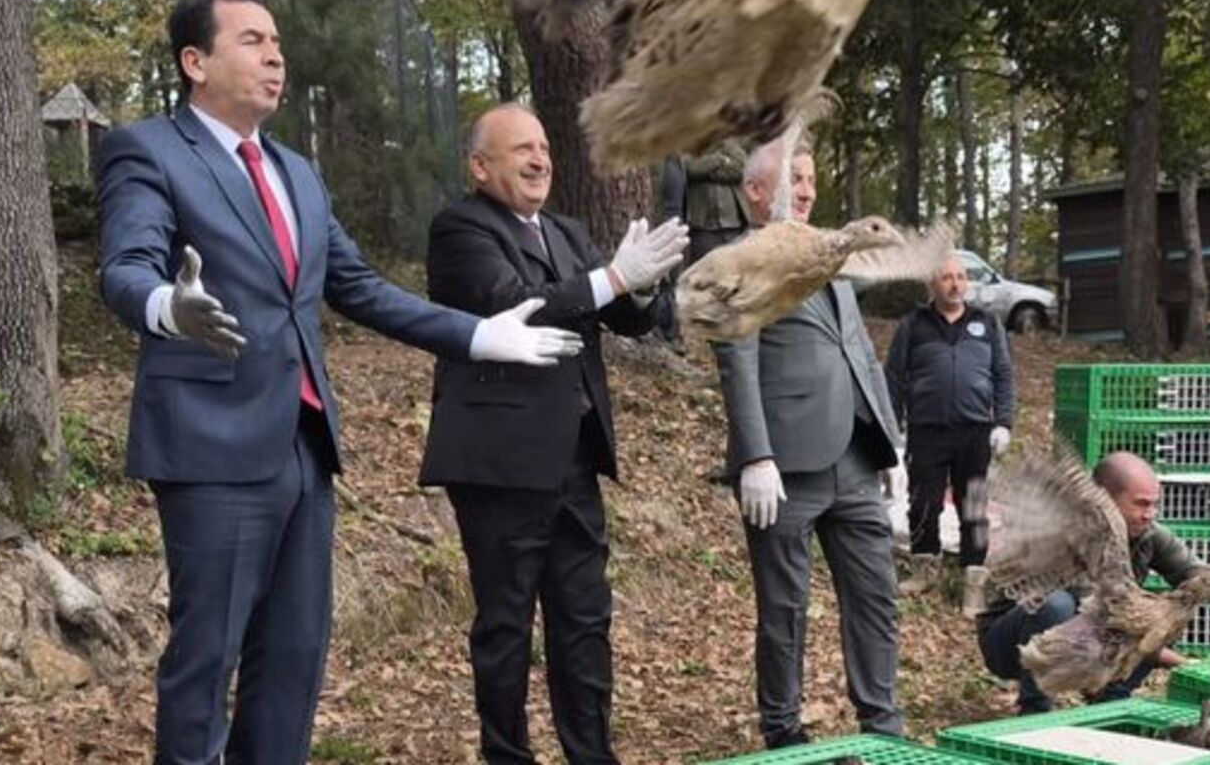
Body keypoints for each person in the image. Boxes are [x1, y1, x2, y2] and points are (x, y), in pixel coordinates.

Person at [96, 0, 583, 765]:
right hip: (209, 445)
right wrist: (165, 304)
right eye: (251, 40)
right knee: (206, 658)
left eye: (278, 41)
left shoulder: (296, 172)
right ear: (195, 62)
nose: (275, 55)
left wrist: (480, 336)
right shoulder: (147, 150)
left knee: (292, 661)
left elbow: (360, 289)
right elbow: (125, 266)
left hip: (303, 444)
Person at [421, 103, 687, 765]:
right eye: (522, 150)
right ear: (481, 166)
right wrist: (613, 278)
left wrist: (645, 287)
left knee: (584, 622)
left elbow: (624, 319)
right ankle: (507, 755)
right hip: (498, 464)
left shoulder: (567, 232)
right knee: (507, 625)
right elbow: (518, 303)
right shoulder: (459, 229)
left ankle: (591, 755)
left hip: (574, 457)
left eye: (544, 146)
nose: (541, 158)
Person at [711, 133, 906, 749]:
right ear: (754, 191)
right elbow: (736, 358)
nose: (806, 189)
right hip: (784, 467)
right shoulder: (742, 259)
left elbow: (860, 352)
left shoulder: (829, 253)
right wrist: (755, 454)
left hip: (854, 457)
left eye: (811, 179)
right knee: (785, 610)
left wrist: (890, 443)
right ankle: (784, 733)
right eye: (793, 178)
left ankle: (883, 724)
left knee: (876, 597)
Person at [976, 452, 1210, 714]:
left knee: (1161, 618)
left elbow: (1201, 577)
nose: (1150, 513)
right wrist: (1194, 669)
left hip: (1085, 647)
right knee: (1061, 606)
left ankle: (1110, 707)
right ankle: (1034, 711)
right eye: (1141, 504)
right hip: (1014, 644)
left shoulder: (1148, 535)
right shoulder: (1070, 536)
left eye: (1155, 505)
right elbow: (1106, 624)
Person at [885, 254, 1013, 615]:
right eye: (947, 278)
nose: (955, 284)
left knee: (973, 505)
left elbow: (1003, 374)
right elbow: (893, 378)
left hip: (976, 432)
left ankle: (974, 583)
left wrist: (1003, 422)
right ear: (933, 284)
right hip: (927, 430)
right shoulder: (913, 325)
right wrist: (892, 432)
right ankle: (924, 569)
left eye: (961, 277)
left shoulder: (986, 323)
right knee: (922, 500)